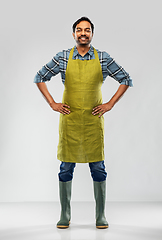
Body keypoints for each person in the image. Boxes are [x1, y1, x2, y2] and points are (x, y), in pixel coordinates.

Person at [34, 16, 133, 229]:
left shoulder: (103, 58)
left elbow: (126, 79)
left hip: (92, 121)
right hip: (69, 121)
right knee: (65, 168)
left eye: (87, 30)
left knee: (98, 167)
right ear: (73, 34)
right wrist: (52, 103)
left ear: (92, 34)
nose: (83, 33)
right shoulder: (63, 57)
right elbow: (39, 76)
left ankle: (101, 215)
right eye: (79, 30)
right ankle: (64, 214)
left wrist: (110, 104)